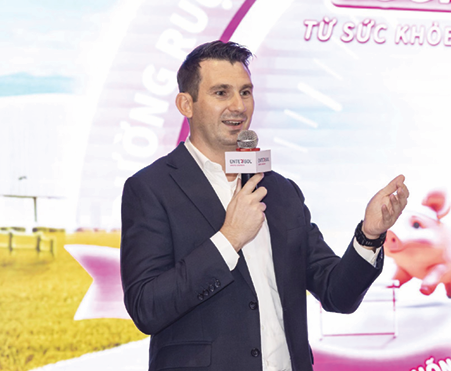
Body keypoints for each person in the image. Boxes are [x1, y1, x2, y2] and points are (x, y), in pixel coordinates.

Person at [120, 40, 409, 371]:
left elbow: (337, 295)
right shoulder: (151, 188)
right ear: (186, 104)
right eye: (221, 93)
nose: (238, 106)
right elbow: (146, 308)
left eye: (245, 92)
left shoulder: (281, 191)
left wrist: (369, 235)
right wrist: (229, 239)